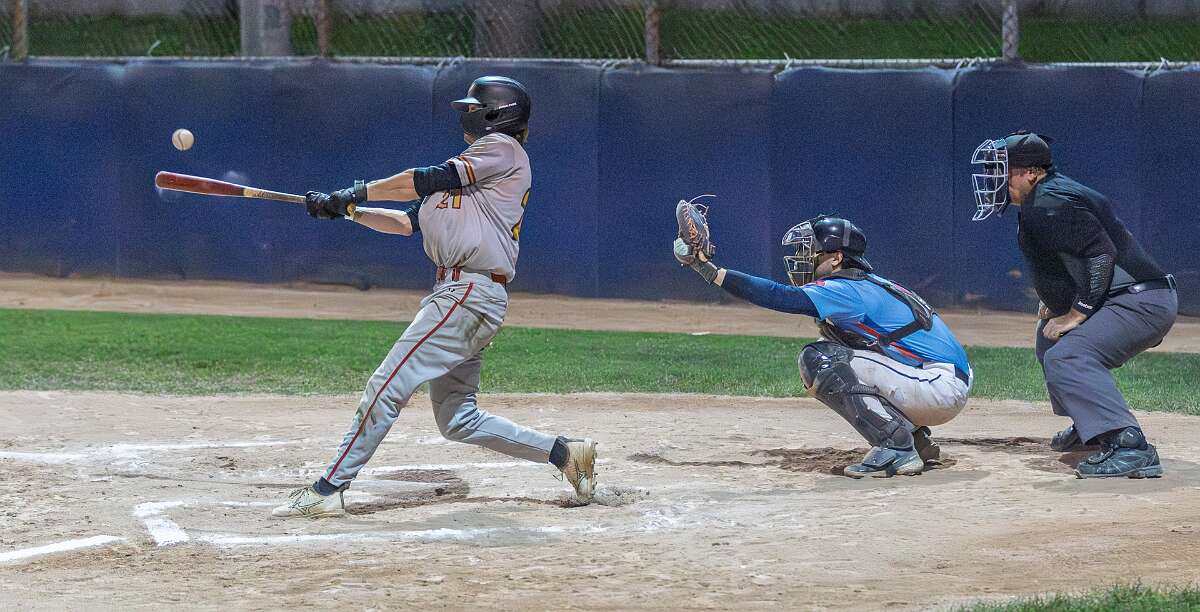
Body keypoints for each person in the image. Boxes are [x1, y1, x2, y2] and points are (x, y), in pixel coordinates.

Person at [272, 76, 597, 518]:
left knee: (387, 385)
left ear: (496, 115)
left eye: (473, 108)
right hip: (462, 294)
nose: (465, 115)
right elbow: (406, 221)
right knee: (457, 418)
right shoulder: (470, 174)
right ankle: (565, 453)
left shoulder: (502, 149)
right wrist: (347, 210)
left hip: (468, 293)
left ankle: (329, 488)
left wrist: (356, 190)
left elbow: (422, 179)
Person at [674, 214, 972, 478]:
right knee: (832, 341)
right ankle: (915, 440)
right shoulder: (867, 284)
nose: (806, 259)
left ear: (837, 258)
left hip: (937, 387)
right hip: (939, 383)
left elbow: (780, 297)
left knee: (819, 359)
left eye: (813, 252)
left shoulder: (847, 289)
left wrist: (710, 271)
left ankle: (896, 446)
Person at [970, 130, 1177, 478]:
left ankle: (1129, 444)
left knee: (1067, 355)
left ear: (1031, 173)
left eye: (1003, 171)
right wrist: (1059, 302)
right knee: (1049, 339)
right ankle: (1093, 425)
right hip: (1128, 296)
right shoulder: (1044, 198)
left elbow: (1100, 255)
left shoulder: (1051, 202)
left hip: (1141, 300)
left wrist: (1077, 312)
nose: (996, 179)